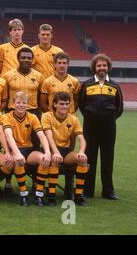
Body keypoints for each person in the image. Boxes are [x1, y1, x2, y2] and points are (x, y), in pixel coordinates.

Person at [79, 54, 123, 200]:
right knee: (89, 159)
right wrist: (92, 117)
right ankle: (87, 190)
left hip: (108, 129)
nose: (102, 68)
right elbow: (81, 104)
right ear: (94, 68)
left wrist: (108, 119)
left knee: (107, 159)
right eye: (99, 66)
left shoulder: (114, 86)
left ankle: (108, 192)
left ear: (108, 67)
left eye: (104, 65)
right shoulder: (87, 84)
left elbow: (119, 108)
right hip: (90, 128)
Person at [1, 91, 51, 206]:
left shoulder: (32, 117)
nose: (21, 105)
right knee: (18, 161)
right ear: (13, 103)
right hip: (14, 150)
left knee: (44, 159)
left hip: (29, 149)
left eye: (24, 103)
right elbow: (8, 136)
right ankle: (23, 195)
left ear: (28, 105)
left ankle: (39, 195)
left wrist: (47, 152)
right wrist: (17, 153)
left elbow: (42, 136)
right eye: (18, 102)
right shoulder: (6, 117)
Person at [42, 92, 88, 206]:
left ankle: (78, 195)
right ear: (55, 104)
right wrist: (55, 152)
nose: (64, 106)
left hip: (66, 151)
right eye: (61, 104)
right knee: (55, 159)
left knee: (82, 160)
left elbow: (81, 138)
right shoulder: (46, 116)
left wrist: (82, 152)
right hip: (51, 149)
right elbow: (48, 136)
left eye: (67, 104)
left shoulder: (74, 119)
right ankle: (51, 196)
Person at [2, 47, 44, 115]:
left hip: (33, 112)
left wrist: (38, 112)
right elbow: (5, 98)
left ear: (32, 60)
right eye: (23, 58)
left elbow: (40, 97)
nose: (26, 60)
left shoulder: (39, 76)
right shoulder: (7, 76)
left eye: (29, 58)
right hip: (12, 111)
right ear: (18, 59)